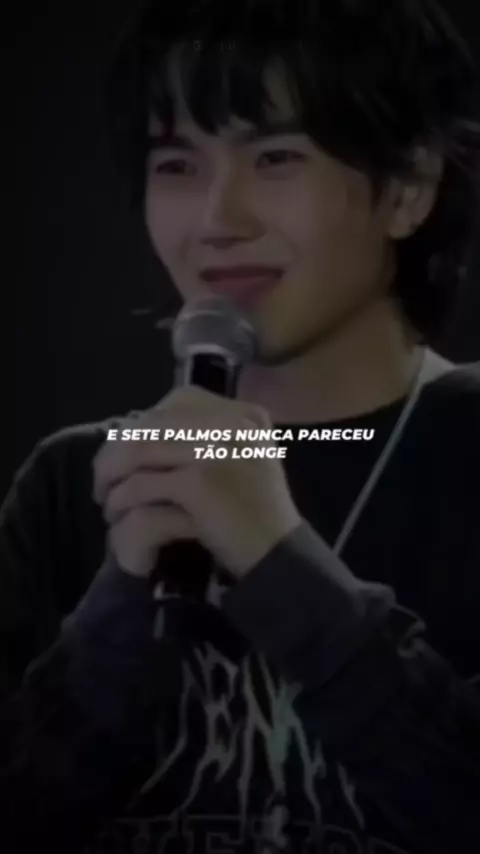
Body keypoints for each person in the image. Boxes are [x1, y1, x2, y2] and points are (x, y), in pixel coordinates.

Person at [1, 0, 480, 851]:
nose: (218, 220)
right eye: (177, 164)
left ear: (408, 187)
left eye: (276, 157)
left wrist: (283, 568)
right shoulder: (74, 484)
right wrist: (116, 615)